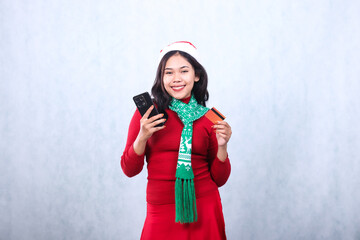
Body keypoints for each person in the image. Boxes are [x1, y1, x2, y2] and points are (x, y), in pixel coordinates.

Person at [121, 41, 232, 240]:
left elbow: (220, 179)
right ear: (161, 78)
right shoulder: (147, 114)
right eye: (169, 72)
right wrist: (142, 137)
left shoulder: (210, 117)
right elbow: (129, 170)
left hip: (204, 207)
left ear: (196, 75)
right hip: (161, 210)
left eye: (184, 71)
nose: (176, 79)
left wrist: (222, 147)